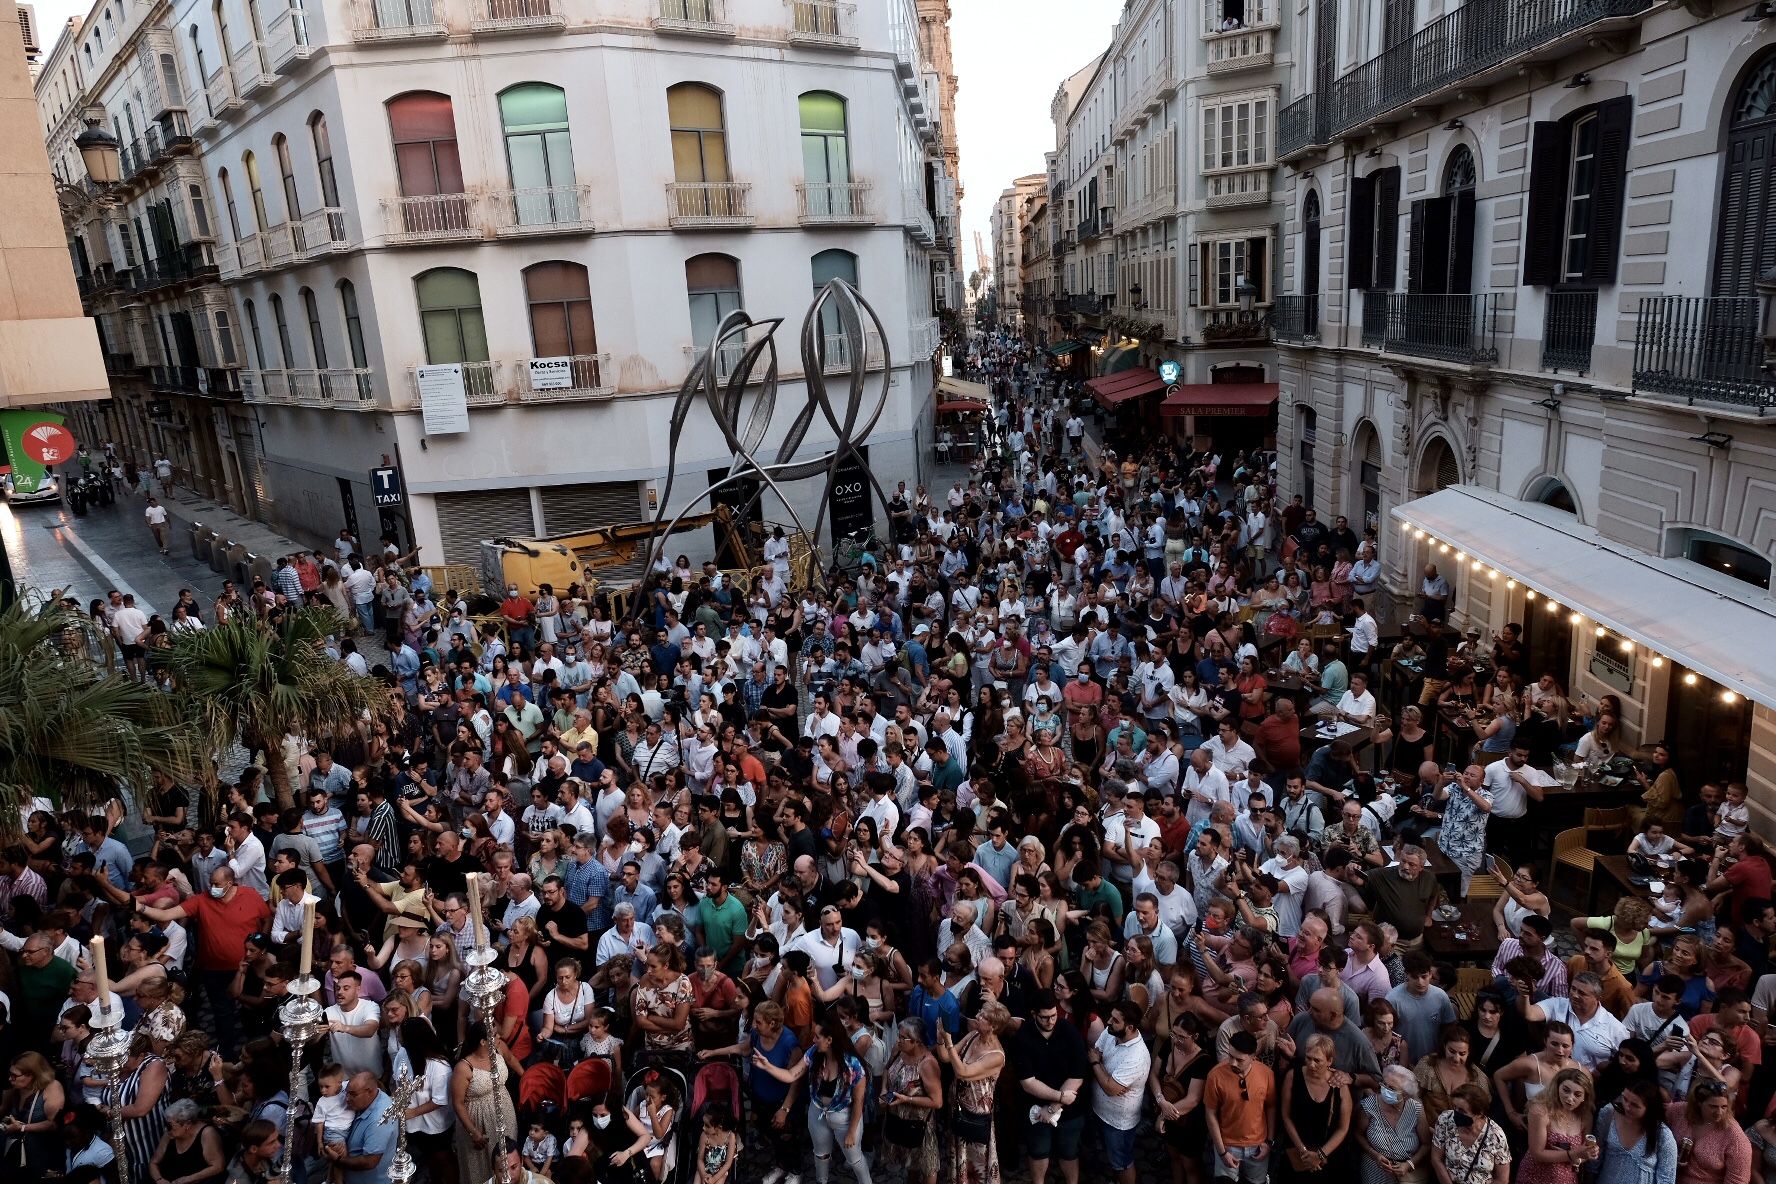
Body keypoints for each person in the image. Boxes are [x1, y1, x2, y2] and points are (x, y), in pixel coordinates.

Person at [1277, 1032, 1355, 1184]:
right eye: (1308, 1058)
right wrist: (1304, 1152)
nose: (1311, 1064)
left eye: (1317, 1060)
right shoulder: (1293, 1076)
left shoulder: (1339, 1085)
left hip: (1328, 1155)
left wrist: (1320, 1155)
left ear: (1329, 1061)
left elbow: (1343, 1128)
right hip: (1297, 1151)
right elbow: (1286, 1116)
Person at [1205, 1029, 1276, 1182]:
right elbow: (1210, 1113)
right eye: (1230, 1056)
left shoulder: (1266, 1074)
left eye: (1239, 1059)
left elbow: (1270, 1107)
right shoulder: (1215, 1076)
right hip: (1228, 1145)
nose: (1232, 1062)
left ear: (1253, 1057)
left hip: (1258, 1145)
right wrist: (1222, 1151)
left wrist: (1269, 1141)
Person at [1355, 1064, 1429, 1184]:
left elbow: (1426, 1144)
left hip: (1408, 1173)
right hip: (1375, 1168)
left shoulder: (1416, 1109)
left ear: (1405, 1094)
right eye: (1384, 1084)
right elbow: (1357, 1134)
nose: (1385, 1089)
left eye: (1392, 1088)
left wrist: (1409, 1164)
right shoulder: (1368, 1106)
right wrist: (1374, 1154)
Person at [1429, 1084, 1509, 1184]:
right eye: (1455, 1107)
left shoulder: (1496, 1135)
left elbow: (1502, 1179)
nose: (1456, 1113)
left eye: (1462, 1111)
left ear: (1479, 1113)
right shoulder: (1445, 1119)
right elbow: (1436, 1159)